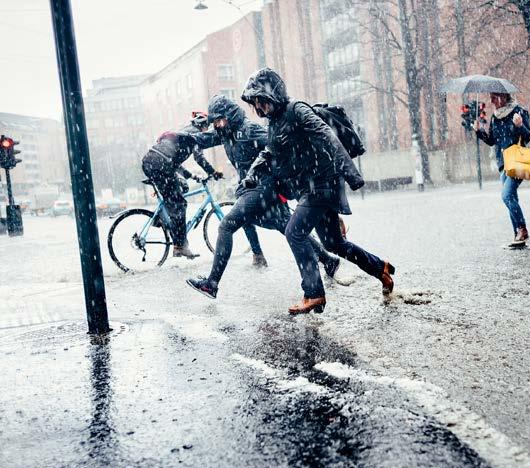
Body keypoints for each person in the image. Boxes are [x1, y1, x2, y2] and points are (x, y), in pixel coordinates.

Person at [240, 68, 395, 315]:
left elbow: (327, 136)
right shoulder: (276, 122)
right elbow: (269, 152)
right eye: (257, 105)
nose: (260, 110)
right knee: (335, 243)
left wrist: (351, 173)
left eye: (262, 103)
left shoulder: (297, 110)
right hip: (310, 187)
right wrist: (251, 176)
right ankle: (380, 269)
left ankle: (314, 293)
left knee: (294, 232)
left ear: (274, 95)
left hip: (323, 184)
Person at [185, 95, 341, 299]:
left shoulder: (250, 130)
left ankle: (212, 283)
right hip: (254, 190)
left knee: (226, 226)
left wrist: (290, 175)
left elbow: (278, 145)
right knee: (285, 226)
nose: (218, 125)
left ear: (230, 115)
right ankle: (328, 260)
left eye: (220, 120)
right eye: (215, 122)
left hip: (262, 188)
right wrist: (180, 135)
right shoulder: (225, 133)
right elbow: (201, 139)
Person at [141, 129, 223, 258]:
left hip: (150, 162)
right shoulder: (195, 140)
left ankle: (162, 220)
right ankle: (179, 247)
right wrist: (213, 172)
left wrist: (192, 176)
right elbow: (199, 158)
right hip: (161, 165)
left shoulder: (180, 142)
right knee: (179, 204)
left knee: (175, 196)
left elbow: (176, 165)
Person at [473, 92, 530, 246]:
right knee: (512, 198)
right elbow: (492, 141)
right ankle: (518, 237)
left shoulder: (518, 111)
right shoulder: (495, 117)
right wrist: (479, 131)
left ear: (503, 97)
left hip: (517, 162)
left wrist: (520, 126)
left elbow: (528, 138)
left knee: (506, 196)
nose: (491, 100)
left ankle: (522, 229)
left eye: (494, 97)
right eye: (491, 97)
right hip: (502, 164)